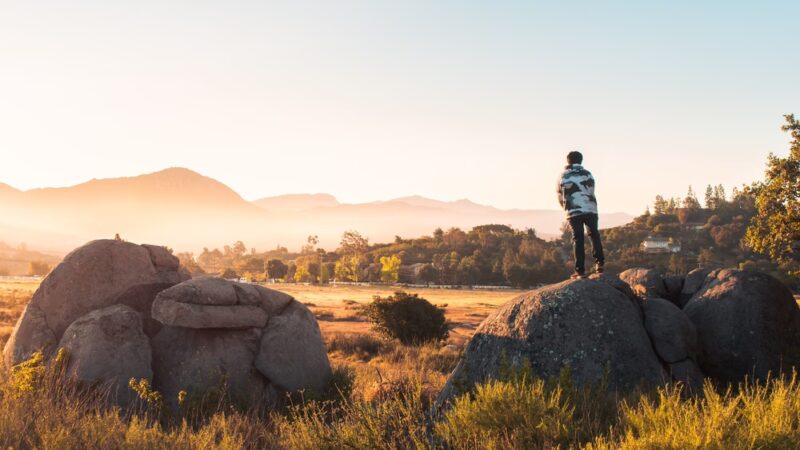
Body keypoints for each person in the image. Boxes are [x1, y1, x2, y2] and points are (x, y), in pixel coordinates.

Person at [557, 150, 605, 278]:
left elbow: (559, 195)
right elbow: (591, 190)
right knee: (594, 235)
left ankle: (580, 270)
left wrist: (566, 207)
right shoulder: (588, 174)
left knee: (578, 239)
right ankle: (599, 265)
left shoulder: (563, 176)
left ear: (568, 161)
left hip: (574, 211)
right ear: (581, 160)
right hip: (591, 209)